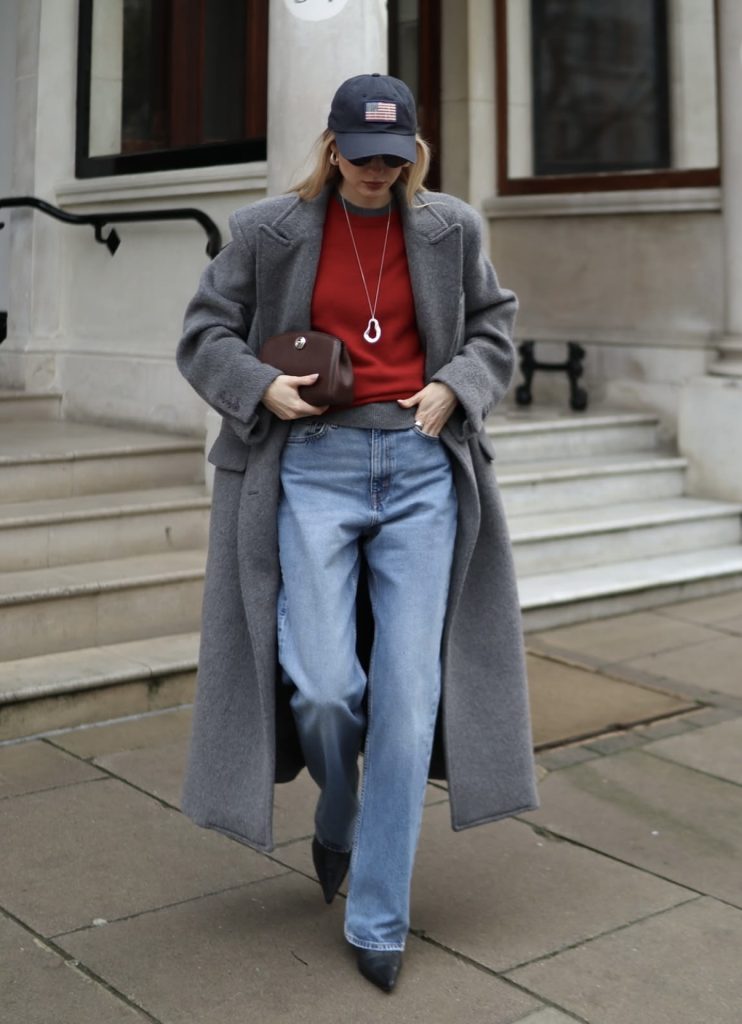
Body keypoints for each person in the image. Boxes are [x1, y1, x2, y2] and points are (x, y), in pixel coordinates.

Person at [177, 73, 539, 993]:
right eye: (364, 154)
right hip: (311, 467)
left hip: (420, 468)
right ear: (332, 147)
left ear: (414, 153)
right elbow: (205, 332)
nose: (379, 171)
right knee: (328, 688)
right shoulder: (268, 229)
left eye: (395, 156)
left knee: (410, 701)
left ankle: (378, 915)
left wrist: (457, 384)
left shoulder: (453, 228)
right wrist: (258, 385)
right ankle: (337, 809)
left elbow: (494, 327)